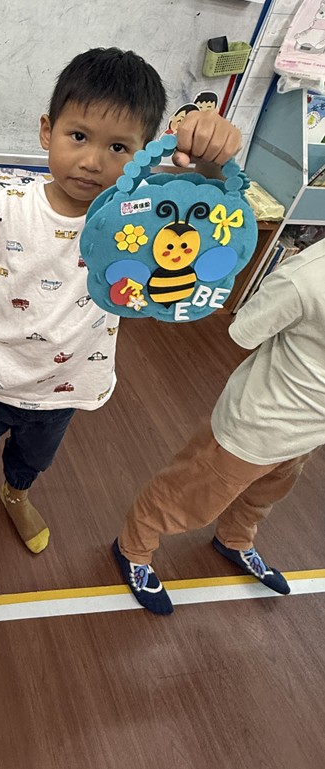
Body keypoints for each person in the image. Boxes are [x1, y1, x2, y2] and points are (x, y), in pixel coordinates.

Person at [0, 47, 241, 568]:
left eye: (118, 147)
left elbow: (206, 215)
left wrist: (210, 155)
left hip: (67, 385)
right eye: (78, 136)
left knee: (32, 459)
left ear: (144, 154)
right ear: (47, 131)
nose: (93, 161)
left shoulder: (140, 223)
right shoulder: (7, 208)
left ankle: (15, 495)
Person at [113, 237, 325, 615]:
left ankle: (235, 540)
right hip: (259, 425)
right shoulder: (305, 277)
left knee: (262, 497)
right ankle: (133, 548)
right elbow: (244, 331)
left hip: (308, 432)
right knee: (184, 497)